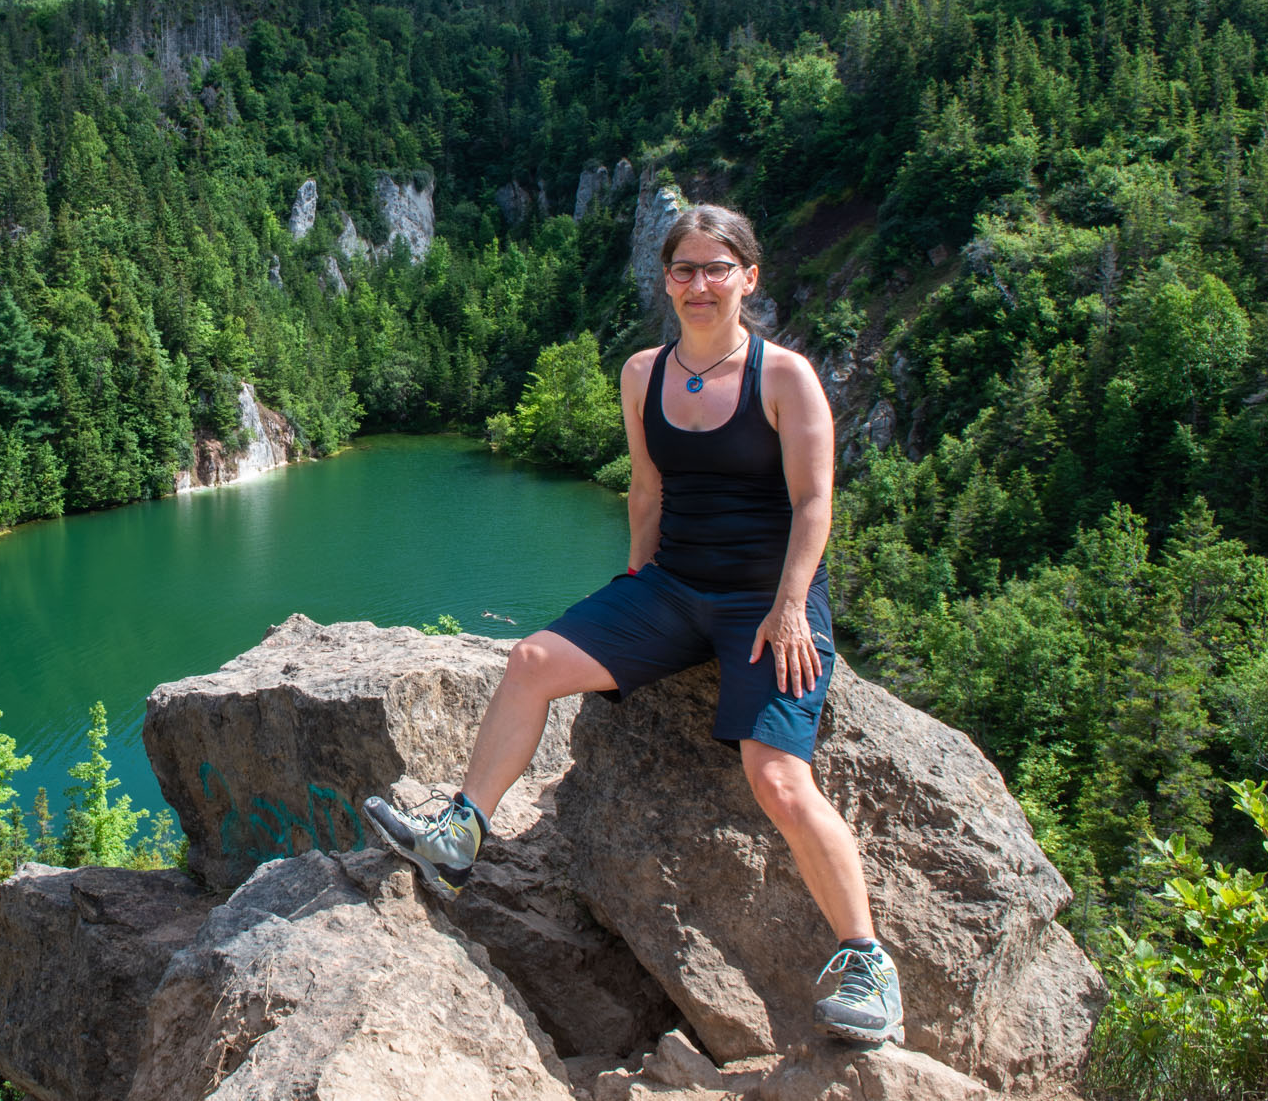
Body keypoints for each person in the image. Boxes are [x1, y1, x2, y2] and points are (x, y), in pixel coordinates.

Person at [364, 204, 903, 1047]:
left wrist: (794, 604)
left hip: (766, 601)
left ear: (748, 277)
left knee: (778, 780)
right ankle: (461, 831)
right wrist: (633, 583)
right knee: (534, 657)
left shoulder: (783, 376)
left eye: (716, 268)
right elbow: (647, 488)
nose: (699, 284)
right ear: (667, 278)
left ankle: (867, 961)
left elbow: (814, 501)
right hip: (673, 586)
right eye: (683, 269)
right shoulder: (642, 373)